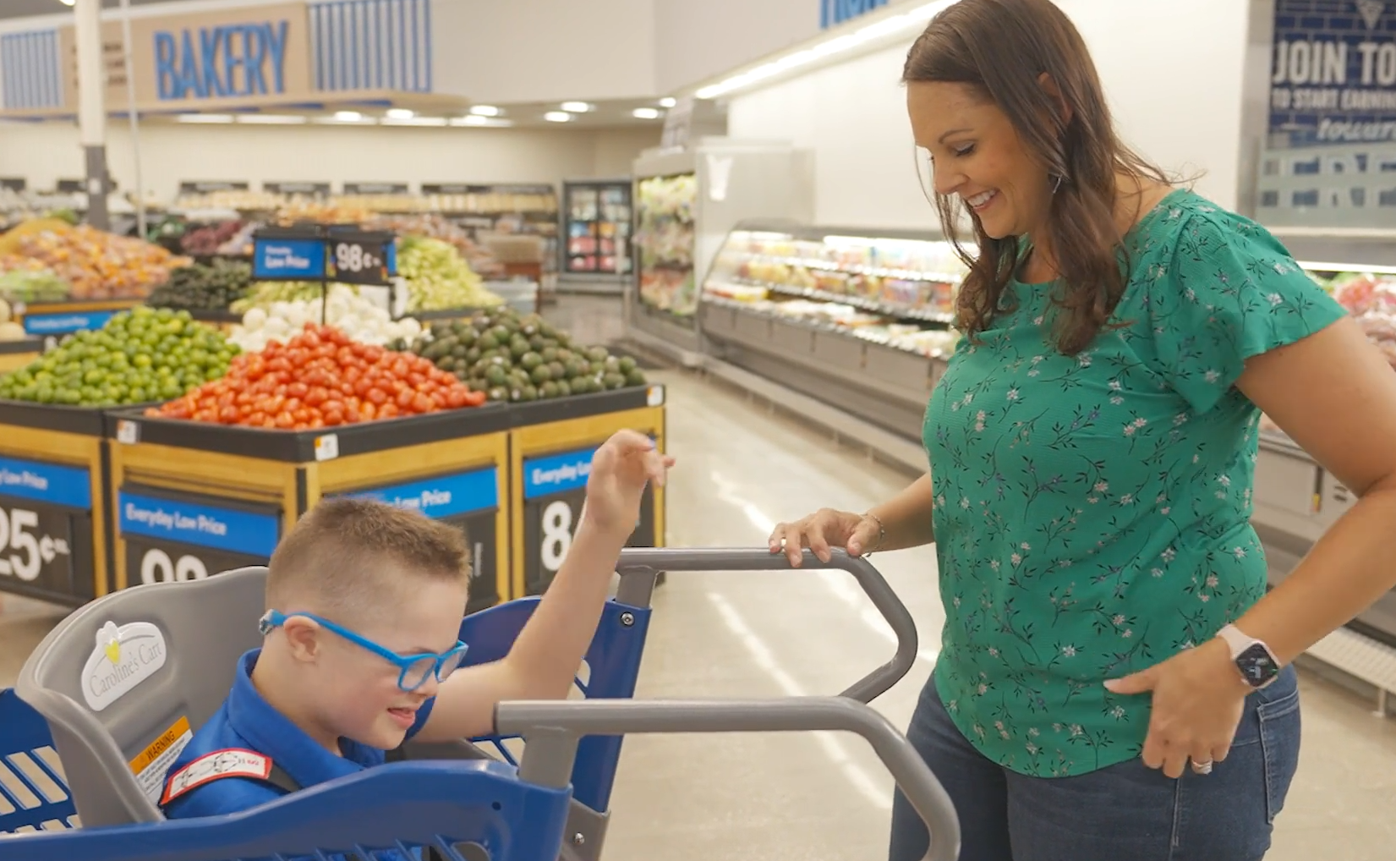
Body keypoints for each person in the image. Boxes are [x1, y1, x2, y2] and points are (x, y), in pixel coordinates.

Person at [769, 1, 1396, 859]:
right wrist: (872, 522)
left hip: (1145, 742)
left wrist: (1241, 659)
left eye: (963, 148)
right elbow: (997, 466)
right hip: (971, 706)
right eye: (933, 158)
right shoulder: (1016, 255)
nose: (947, 183)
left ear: (1052, 105)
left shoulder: (1198, 258)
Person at [160, 429, 672, 818]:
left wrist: (603, 529)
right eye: (414, 663)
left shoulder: (341, 709)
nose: (429, 686)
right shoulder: (237, 811)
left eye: (443, 660)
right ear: (306, 641)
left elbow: (527, 683)